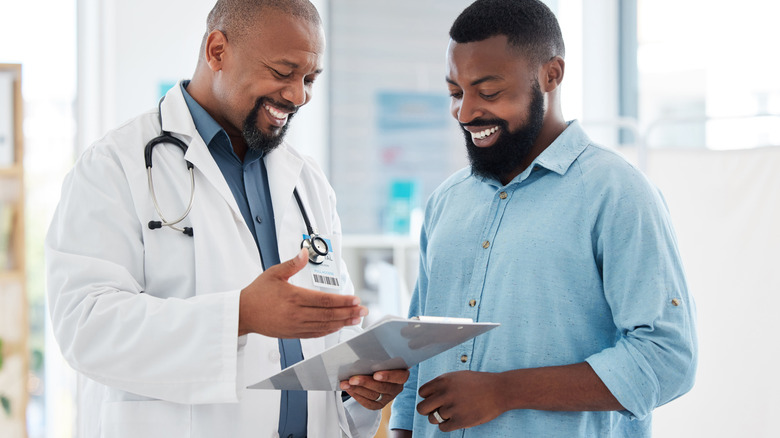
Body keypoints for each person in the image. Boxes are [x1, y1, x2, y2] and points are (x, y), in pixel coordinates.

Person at [45, 1, 408, 437]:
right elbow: (86, 327)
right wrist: (238, 315)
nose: (298, 96)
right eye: (282, 72)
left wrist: (357, 384)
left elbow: (327, 332)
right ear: (217, 51)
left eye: (309, 79)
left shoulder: (307, 181)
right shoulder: (113, 166)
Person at [388, 0, 697, 436]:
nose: (465, 112)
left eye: (488, 92)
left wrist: (505, 391)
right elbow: (417, 349)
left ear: (551, 74)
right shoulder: (446, 201)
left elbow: (668, 357)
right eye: (456, 93)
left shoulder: (617, 193)